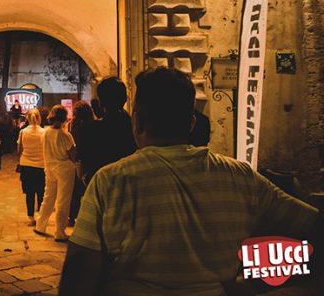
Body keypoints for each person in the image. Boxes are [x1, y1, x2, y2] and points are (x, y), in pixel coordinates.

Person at [60, 67, 322, 296]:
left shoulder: (110, 182)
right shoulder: (241, 177)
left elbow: (78, 276)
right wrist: (252, 283)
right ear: (191, 123)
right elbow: (315, 229)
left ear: (137, 121)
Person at [75, 77, 136, 185]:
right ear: (125, 99)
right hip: (130, 185)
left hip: (99, 186)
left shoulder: (89, 130)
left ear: (100, 102)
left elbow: (81, 168)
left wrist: (87, 180)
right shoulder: (135, 128)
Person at [34, 105, 77, 242]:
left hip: (49, 167)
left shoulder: (45, 133)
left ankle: (40, 225)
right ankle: (59, 232)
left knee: (48, 197)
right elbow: (73, 155)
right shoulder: (65, 135)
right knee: (63, 200)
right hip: (64, 169)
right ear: (64, 117)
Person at [17, 108, 46, 226]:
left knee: (29, 193)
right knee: (41, 192)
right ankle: (40, 216)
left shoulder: (23, 132)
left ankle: (31, 217)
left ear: (27, 118)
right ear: (39, 118)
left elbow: (19, 150)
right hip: (41, 165)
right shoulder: (44, 132)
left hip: (26, 165)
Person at [68, 101, 95, 226]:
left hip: (76, 159)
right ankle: (85, 216)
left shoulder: (72, 125)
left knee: (75, 191)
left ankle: (72, 217)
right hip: (89, 159)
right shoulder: (92, 125)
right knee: (86, 190)